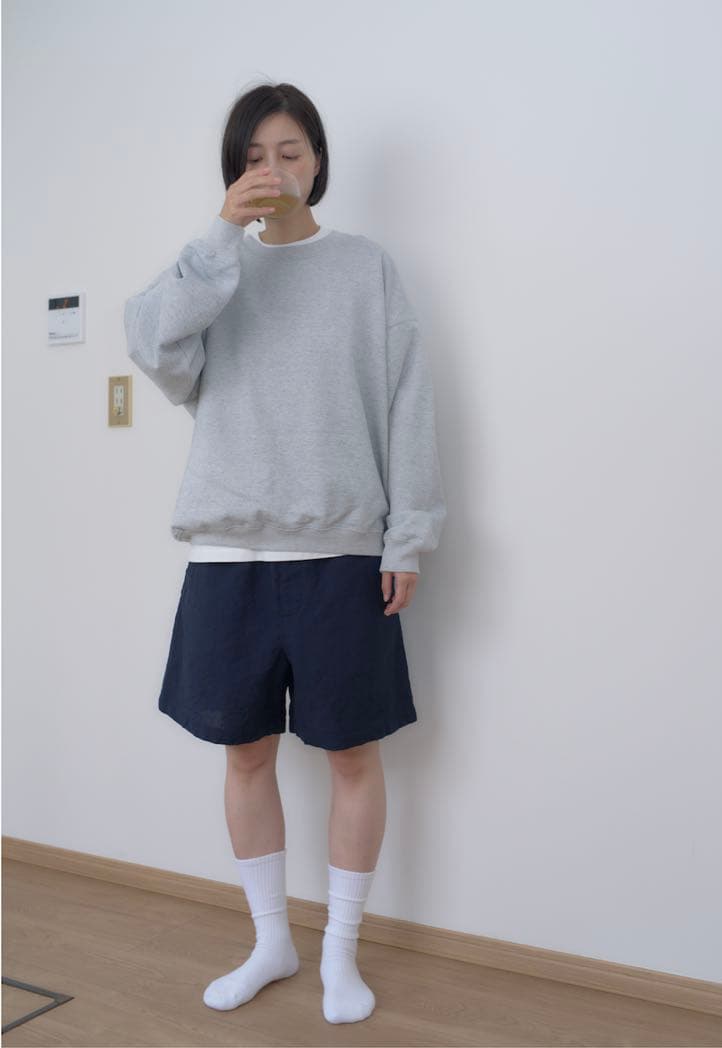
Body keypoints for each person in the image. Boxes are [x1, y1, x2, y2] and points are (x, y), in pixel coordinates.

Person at [124, 81, 446, 1025]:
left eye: (290, 151)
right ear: (233, 172)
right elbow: (149, 344)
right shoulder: (212, 272)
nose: (273, 169)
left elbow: (408, 405)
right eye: (254, 155)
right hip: (229, 555)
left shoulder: (364, 268)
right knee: (244, 756)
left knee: (352, 756)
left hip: (342, 552)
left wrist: (407, 536)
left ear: (318, 161)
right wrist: (218, 236)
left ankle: (341, 952)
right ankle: (271, 941)